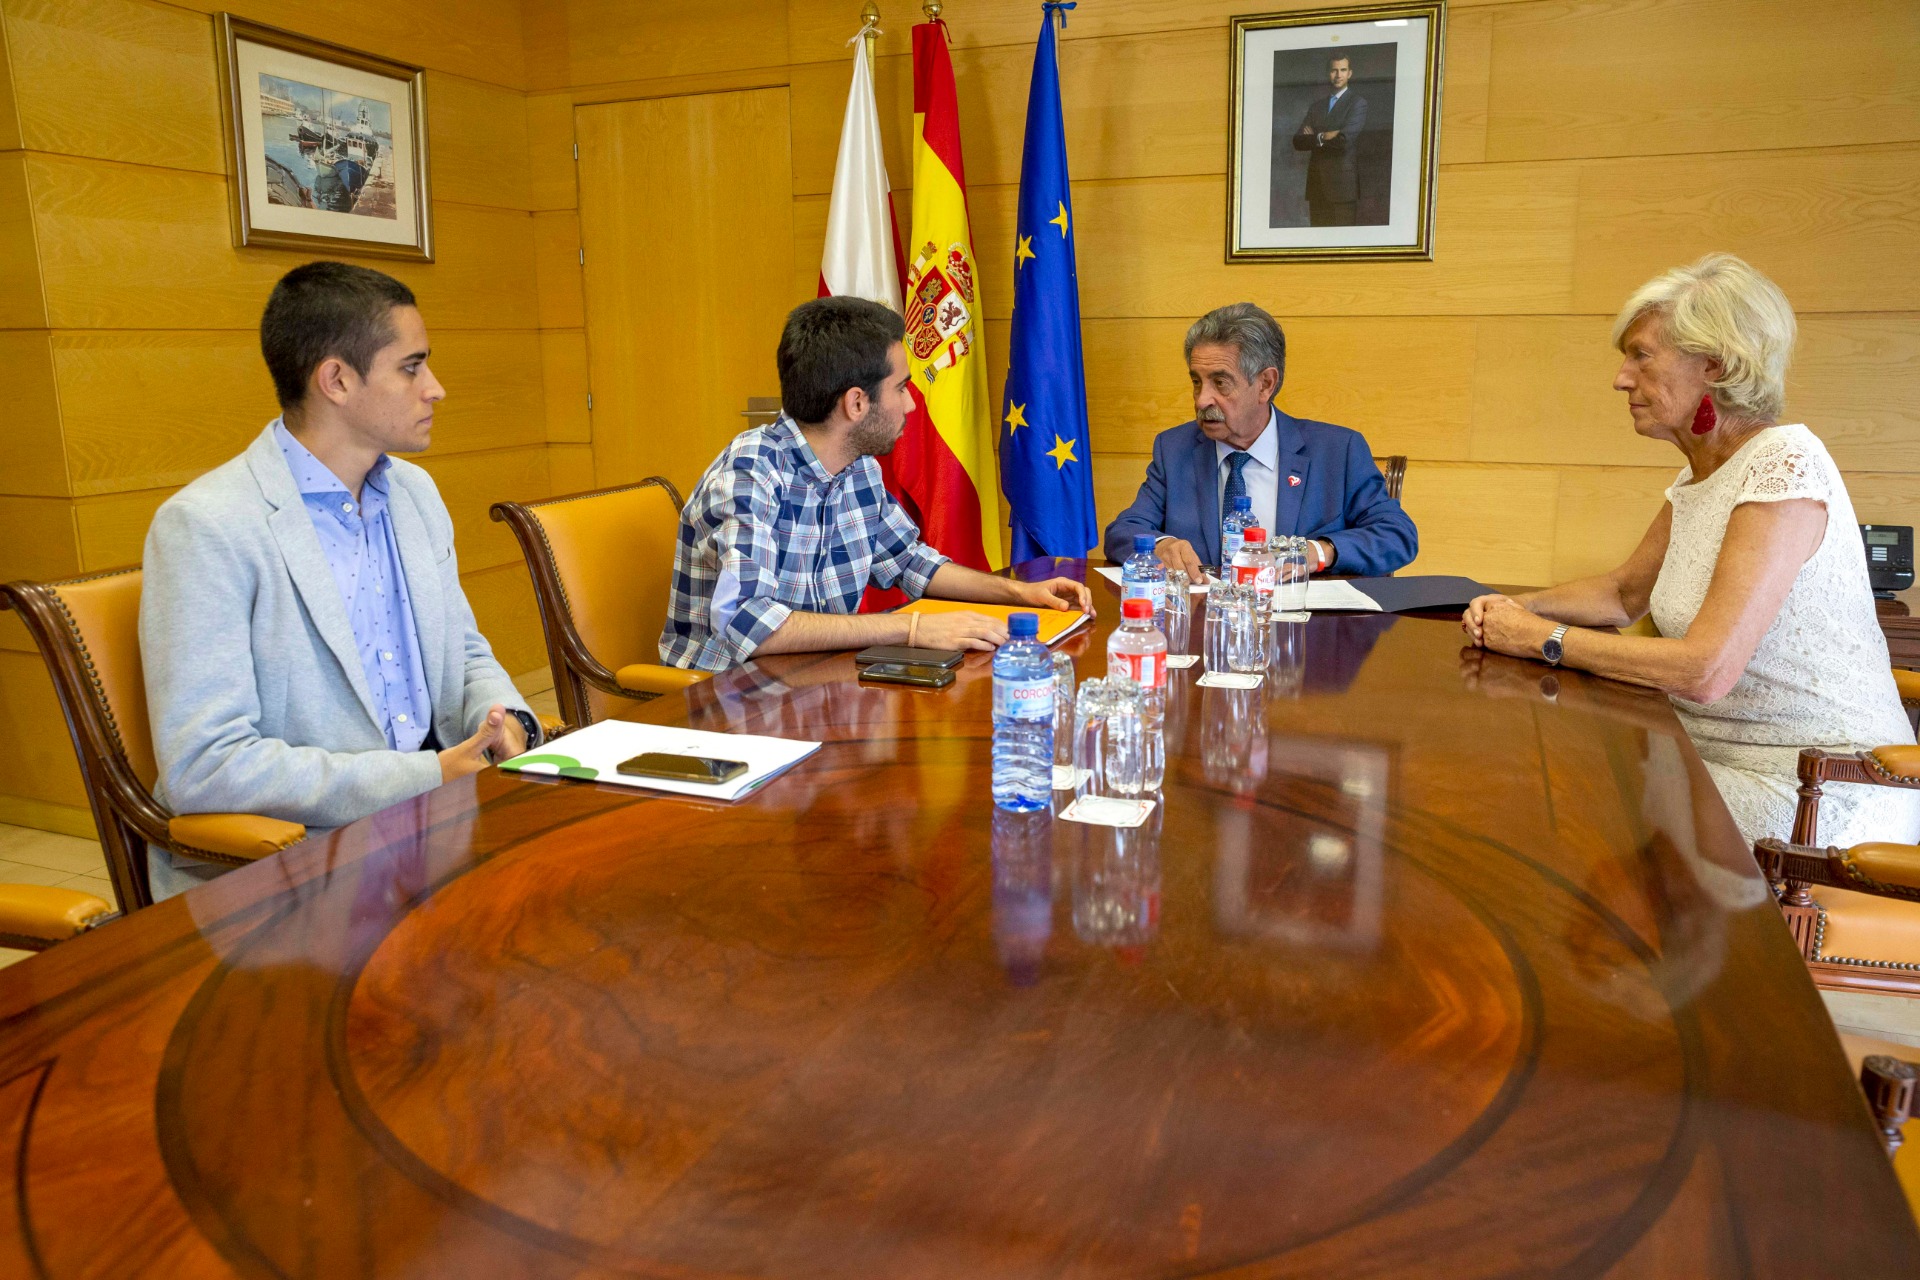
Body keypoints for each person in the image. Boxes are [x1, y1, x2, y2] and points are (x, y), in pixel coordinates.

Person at [1462, 253, 1918, 848]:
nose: (1621, 379)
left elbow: (1705, 670)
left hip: (1815, 790)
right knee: (1537, 773)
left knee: (1561, 807)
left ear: (1716, 365)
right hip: (1704, 758)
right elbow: (1622, 593)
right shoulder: (1703, 472)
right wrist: (1510, 607)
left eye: (1641, 355)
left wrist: (1541, 639)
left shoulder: (1785, 467)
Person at [141, 262, 538, 898]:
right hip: (291, 872)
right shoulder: (206, 525)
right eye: (412, 367)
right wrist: (426, 776)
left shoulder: (414, 492)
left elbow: (462, 653)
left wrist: (501, 717)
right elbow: (206, 765)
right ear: (337, 380)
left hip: (435, 830)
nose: (436, 388)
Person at [661, 296, 1091, 672]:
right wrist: (913, 628)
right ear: (856, 402)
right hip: (723, 703)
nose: (909, 403)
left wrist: (1019, 592)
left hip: (815, 683)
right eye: (900, 388)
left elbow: (909, 563)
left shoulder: (857, 467)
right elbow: (747, 623)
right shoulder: (751, 472)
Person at [1102, 302, 1416, 579]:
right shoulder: (1175, 450)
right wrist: (1161, 545)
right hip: (1203, 630)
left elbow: (1397, 536)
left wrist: (1321, 552)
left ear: (1265, 384)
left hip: (1306, 632)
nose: (1201, 400)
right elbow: (1122, 532)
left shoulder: (1337, 451)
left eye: (1220, 383)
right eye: (1196, 382)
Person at [1292, 52, 1368, 227]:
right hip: (1316, 187)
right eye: (1334, 70)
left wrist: (1314, 137)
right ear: (1328, 73)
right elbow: (1298, 141)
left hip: (1343, 190)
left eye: (1343, 70)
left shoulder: (1357, 103)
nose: (1338, 75)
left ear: (1350, 73)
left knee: (1342, 247)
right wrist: (1323, 136)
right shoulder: (1316, 106)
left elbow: (1343, 142)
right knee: (1317, 247)